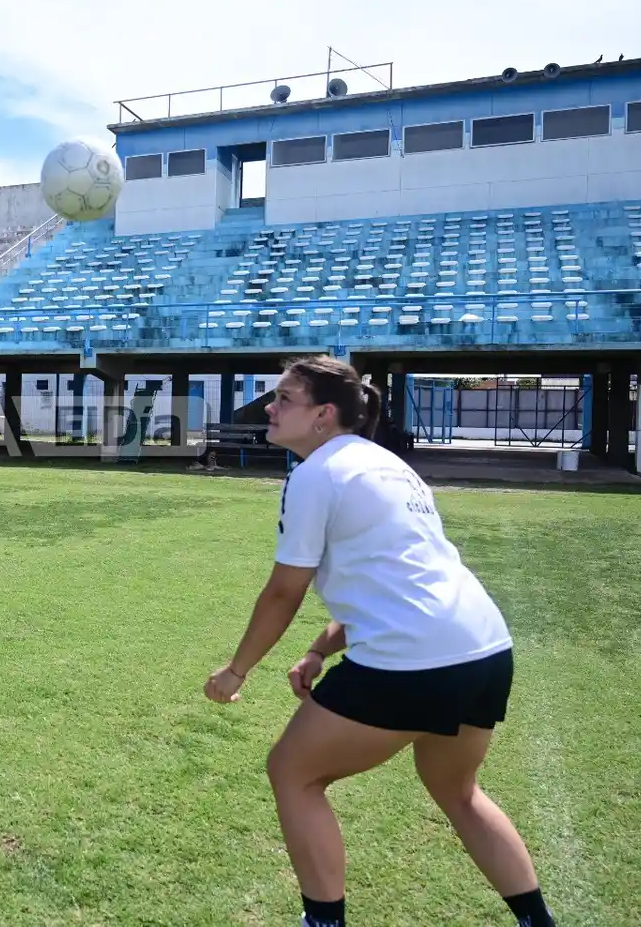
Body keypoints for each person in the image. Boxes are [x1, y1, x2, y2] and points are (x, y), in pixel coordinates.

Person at [202, 355, 553, 927]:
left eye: (284, 399)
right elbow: (399, 584)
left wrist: (236, 670)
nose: (270, 408)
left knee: (293, 772)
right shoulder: (389, 465)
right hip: (485, 649)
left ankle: (324, 922)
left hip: (415, 660)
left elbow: (283, 592)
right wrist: (319, 650)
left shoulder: (316, 473)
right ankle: (539, 921)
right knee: (457, 790)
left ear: (323, 415)